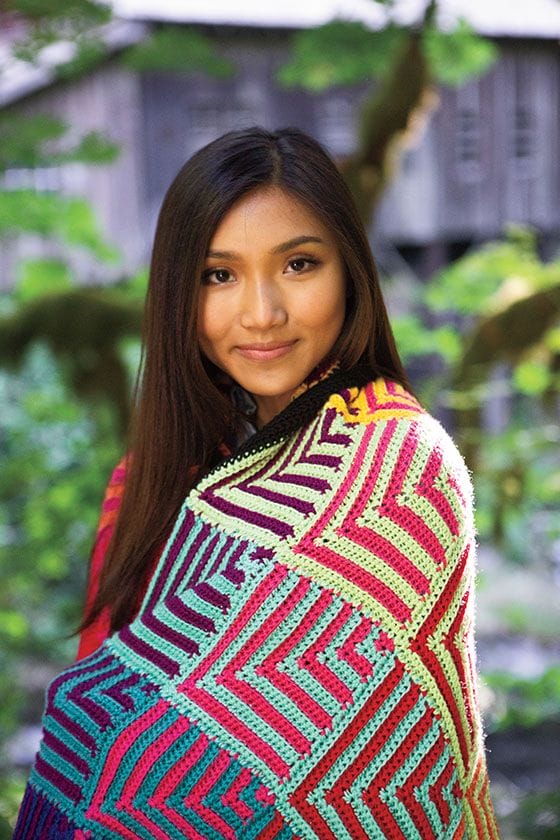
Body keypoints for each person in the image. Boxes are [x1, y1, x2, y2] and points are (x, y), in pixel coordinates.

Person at [14, 127, 498, 839]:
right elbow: (103, 705)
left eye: (299, 264)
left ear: (350, 272)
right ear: (178, 291)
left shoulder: (400, 466)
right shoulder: (153, 475)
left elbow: (367, 764)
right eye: (219, 275)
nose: (262, 312)